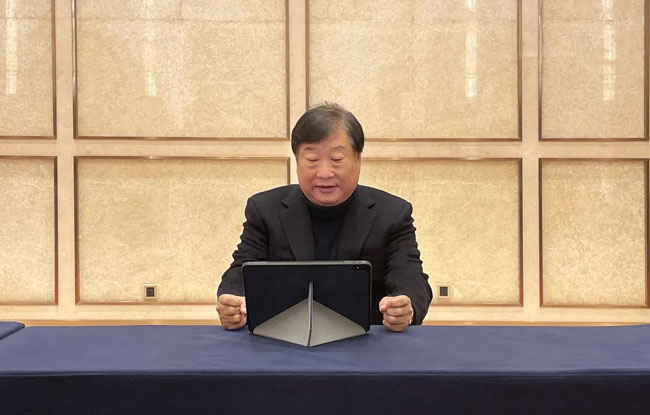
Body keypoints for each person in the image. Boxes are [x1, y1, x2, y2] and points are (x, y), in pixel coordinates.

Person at [217, 103, 432, 332]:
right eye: (312, 159)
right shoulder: (264, 210)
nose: (324, 172)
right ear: (297, 161)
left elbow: (409, 274)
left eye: (337, 159)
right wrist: (234, 300)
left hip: (366, 340)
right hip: (282, 338)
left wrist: (405, 306)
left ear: (358, 160)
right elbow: (242, 268)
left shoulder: (392, 213)